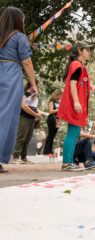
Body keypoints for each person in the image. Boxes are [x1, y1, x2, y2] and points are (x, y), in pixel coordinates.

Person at [0, 7, 38, 173]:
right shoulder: (19, 37)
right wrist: (33, 83)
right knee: (5, 118)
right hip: (11, 76)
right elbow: (27, 62)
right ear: (17, 20)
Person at [57, 41, 92, 171]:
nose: (89, 52)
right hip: (75, 104)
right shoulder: (77, 64)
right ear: (80, 50)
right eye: (87, 50)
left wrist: (91, 86)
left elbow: (79, 82)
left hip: (78, 103)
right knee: (72, 133)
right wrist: (76, 102)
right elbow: (72, 84)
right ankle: (66, 163)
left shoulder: (80, 66)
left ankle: (69, 162)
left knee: (74, 132)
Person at [12, 80, 41, 164]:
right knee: (21, 137)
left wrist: (38, 114)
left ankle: (24, 157)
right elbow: (24, 107)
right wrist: (36, 114)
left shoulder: (34, 96)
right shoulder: (24, 94)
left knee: (28, 138)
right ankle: (15, 157)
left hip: (32, 119)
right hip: (24, 117)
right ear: (31, 85)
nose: (37, 87)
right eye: (36, 85)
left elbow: (35, 107)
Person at [43, 89, 62, 157]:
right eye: (60, 95)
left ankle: (50, 151)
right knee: (50, 136)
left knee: (53, 136)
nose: (60, 97)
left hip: (57, 119)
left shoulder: (59, 103)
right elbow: (51, 111)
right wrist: (58, 109)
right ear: (57, 95)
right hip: (51, 119)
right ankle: (46, 151)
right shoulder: (51, 101)